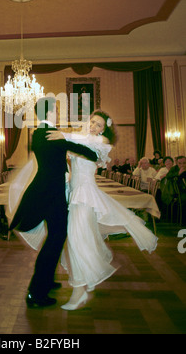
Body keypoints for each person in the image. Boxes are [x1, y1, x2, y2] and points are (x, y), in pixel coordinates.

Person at [45, 110, 158, 310]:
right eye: (92, 122)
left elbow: (81, 145)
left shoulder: (101, 142)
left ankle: (79, 291)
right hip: (76, 194)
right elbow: (76, 151)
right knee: (81, 239)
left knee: (77, 240)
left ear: (104, 130)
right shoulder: (84, 140)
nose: (94, 126)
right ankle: (87, 280)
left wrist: (64, 136)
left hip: (85, 196)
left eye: (99, 125)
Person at [8, 97, 98, 308]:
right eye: (56, 110)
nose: (58, 113)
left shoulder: (40, 133)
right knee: (55, 239)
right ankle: (36, 293)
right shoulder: (49, 135)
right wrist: (93, 150)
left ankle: (46, 281)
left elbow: (67, 146)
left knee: (56, 238)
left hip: (49, 194)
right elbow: (86, 151)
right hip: (49, 195)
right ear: (48, 113)